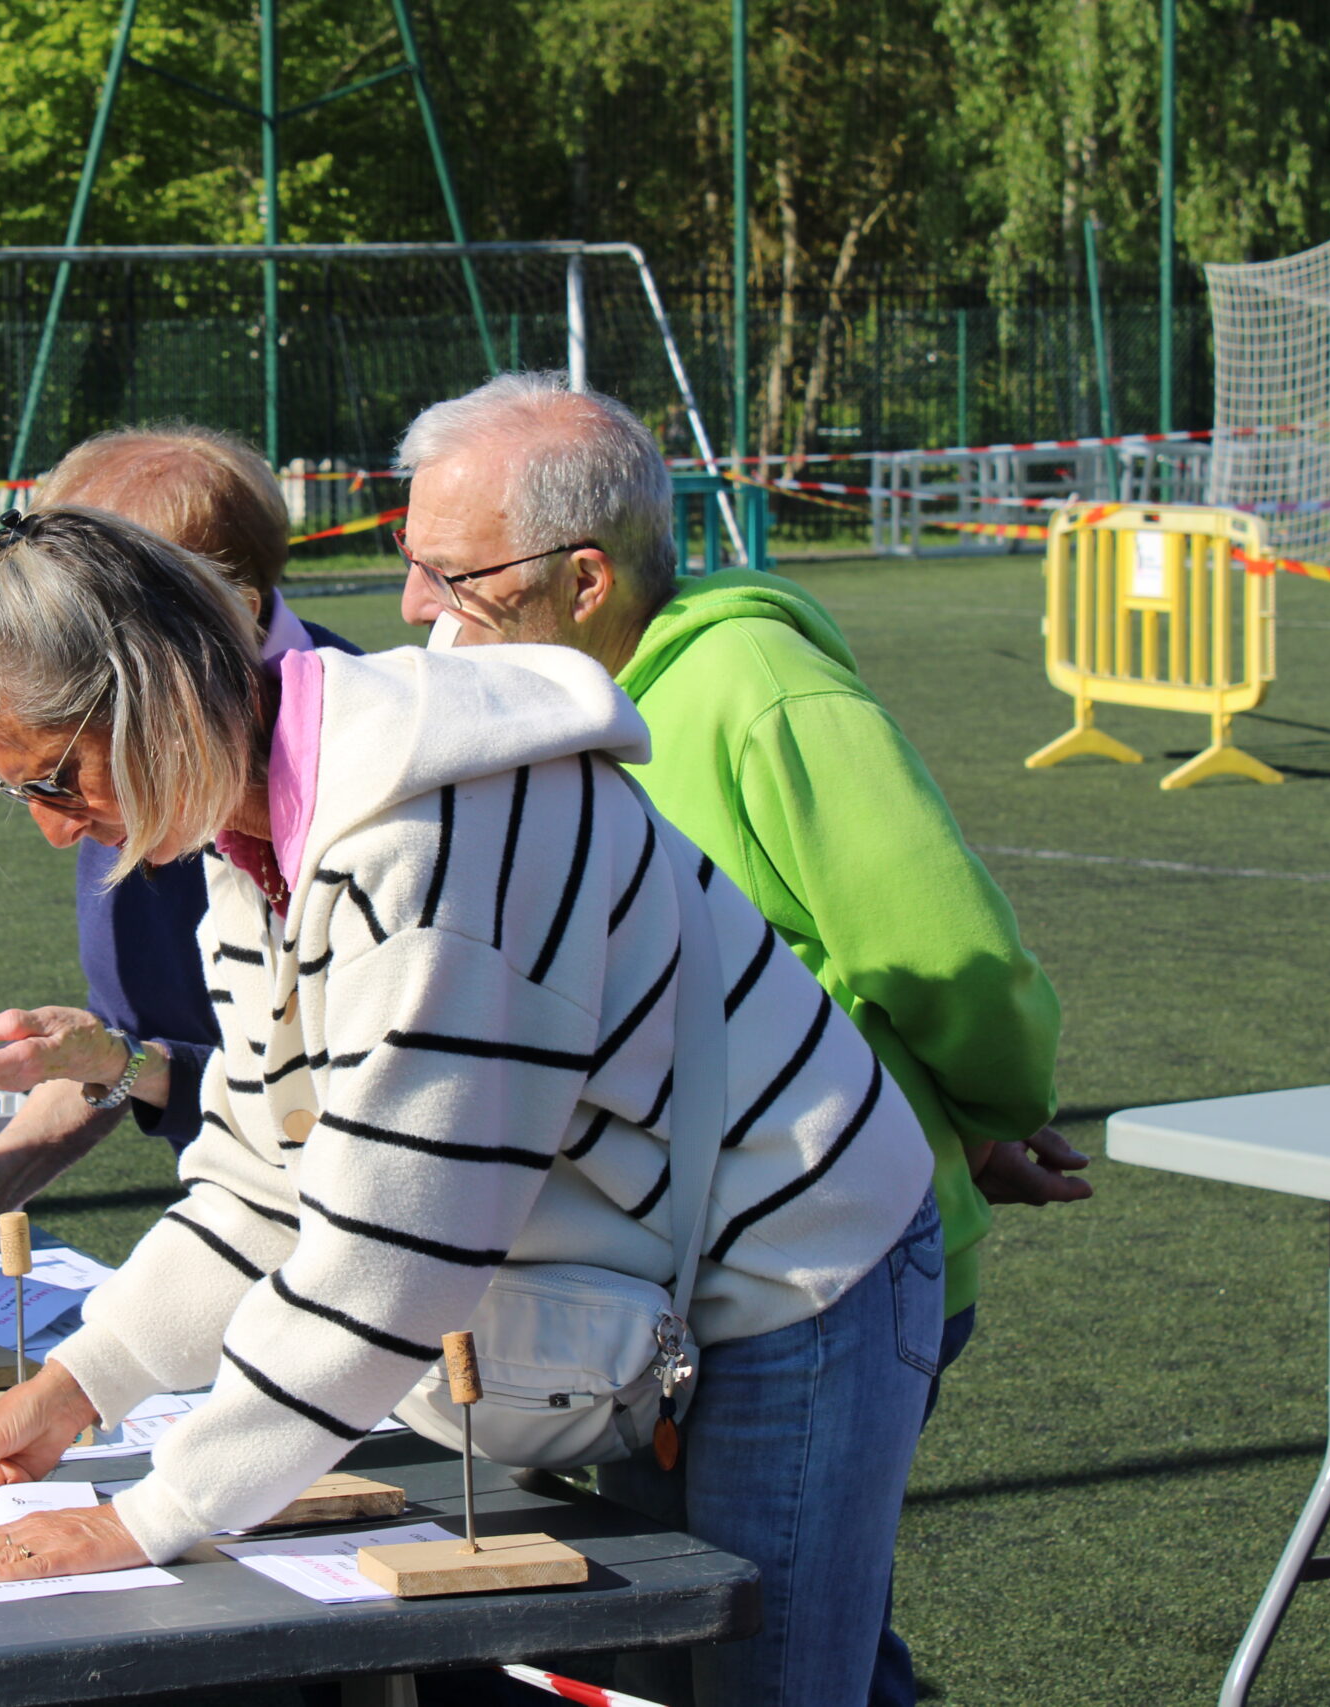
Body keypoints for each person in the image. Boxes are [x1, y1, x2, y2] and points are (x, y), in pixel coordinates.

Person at [0, 507, 943, 1707]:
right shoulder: (257, 837)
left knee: (763, 1685)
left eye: (54, 778)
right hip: (660, 1258)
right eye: (17, 795)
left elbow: (393, 1251)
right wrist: (79, 1385)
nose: (51, 828)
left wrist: (153, 1515)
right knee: (667, 1677)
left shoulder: (423, 839)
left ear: (154, 703)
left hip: (794, 1261)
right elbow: (259, 1176)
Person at [391, 372, 1083, 1706]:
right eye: (411, 562)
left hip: (817, 1269)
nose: (418, 606)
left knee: (773, 1644)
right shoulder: (518, 699)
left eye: (452, 573)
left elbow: (945, 952)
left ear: (584, 580)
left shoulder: (755, 686)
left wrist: (988, 1113)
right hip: (637, 1285)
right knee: (751, 1636)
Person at [0, 425, 356, 1276]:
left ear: (208, 611)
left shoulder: (363, 785)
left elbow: (359, 1148)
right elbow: (146, 1050)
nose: (57, 826)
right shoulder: (109, 756)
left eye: (72, 598)